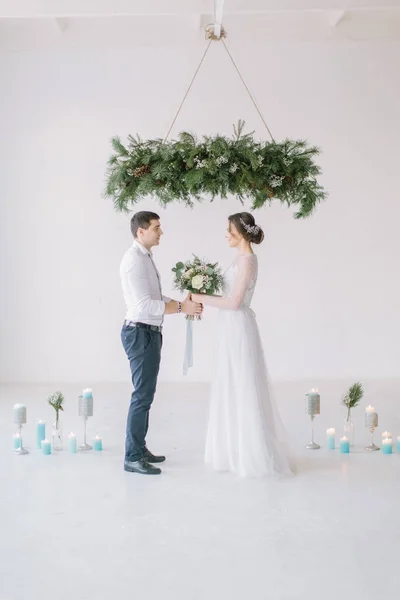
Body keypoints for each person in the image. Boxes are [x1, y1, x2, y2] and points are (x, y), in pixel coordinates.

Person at [191, 212, 294, 478]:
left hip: (238, 325)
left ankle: (249, 453)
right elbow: (227, 296)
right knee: (230, 381)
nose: (226, 234)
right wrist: (199, 295)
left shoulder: (247, 261)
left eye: (229, 230)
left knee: (242, 383)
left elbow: (235, 302)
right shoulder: (239, 259)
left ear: (240, 232)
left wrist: (201, 296)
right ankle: (231, 449)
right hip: (229, 326)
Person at [120, 211, 203, 475]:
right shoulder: (134, 261)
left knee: (146, 395)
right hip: (140, 333)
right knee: (141, 396)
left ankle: (139, 448)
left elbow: (154, 295)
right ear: (140, 231)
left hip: (149, 332)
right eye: (156, 227)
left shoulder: (145, 258)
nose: (161, 232)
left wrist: (183, 304)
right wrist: (181, 307)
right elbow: (144, 305)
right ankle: (132, 457)